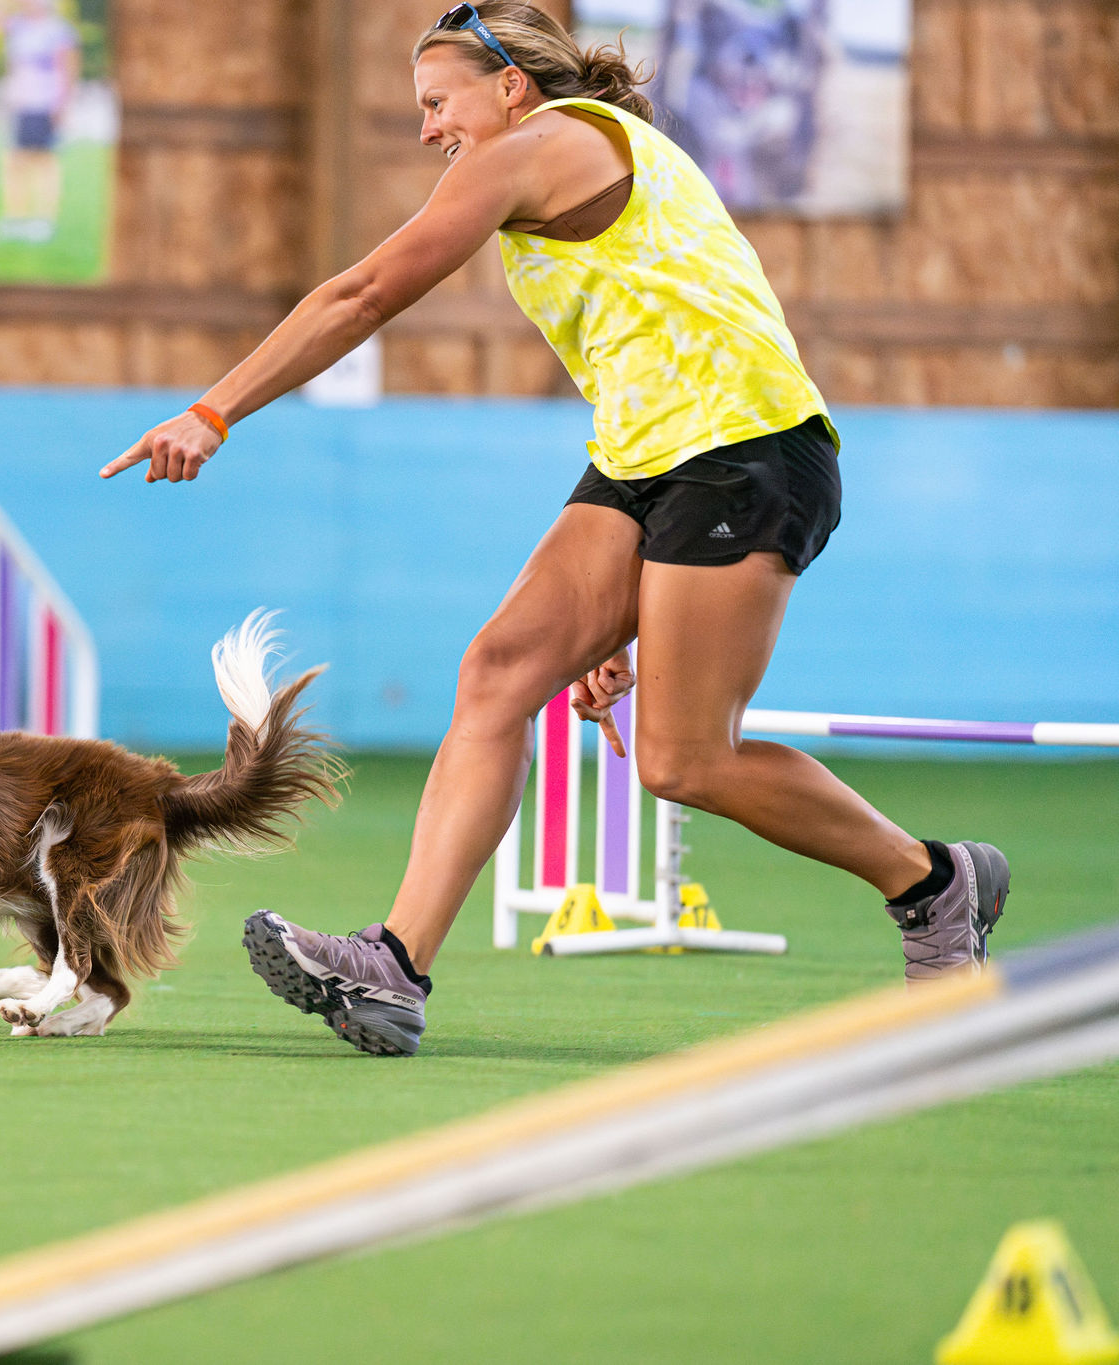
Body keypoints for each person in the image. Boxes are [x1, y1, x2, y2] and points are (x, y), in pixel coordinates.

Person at [100, 1, 1008, 1058]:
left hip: (745, 450)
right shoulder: (572, 155)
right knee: (495, 673)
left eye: (438, 103)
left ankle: (934, 883)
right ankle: (393, 964)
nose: (430, 128)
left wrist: (212, 412)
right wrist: (624, 618)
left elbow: (360, 294)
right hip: (646, 458)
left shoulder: (540, 145)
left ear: (509, 88)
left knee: (680, 760)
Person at [0, 0, 80, 243]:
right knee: (13, 162)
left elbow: (68, 70)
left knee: (43, 161)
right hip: (21, 104)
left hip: (45, 104)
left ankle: (43, 221)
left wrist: (62, 107)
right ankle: (15, 218)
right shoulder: (18, 28)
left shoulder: (58, 31)